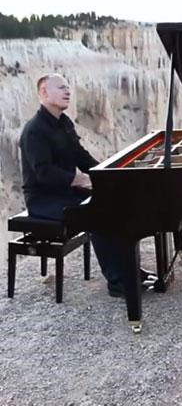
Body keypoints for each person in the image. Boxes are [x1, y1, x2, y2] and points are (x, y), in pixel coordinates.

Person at [19, 74, 150, 298]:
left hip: (66, 193)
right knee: (97, 213)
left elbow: (81, 156)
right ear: (44, 92)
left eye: (68, 87)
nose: (67, 91)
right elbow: (43, 172)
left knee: (115, 203)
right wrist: (78, 180)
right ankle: (117, 282)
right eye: (61, 87)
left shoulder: (64, 123)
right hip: (44, 200)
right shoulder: (34, 130)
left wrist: (106, 173)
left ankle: (130, 270)